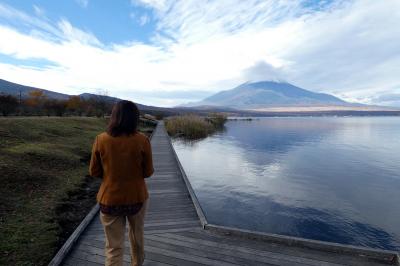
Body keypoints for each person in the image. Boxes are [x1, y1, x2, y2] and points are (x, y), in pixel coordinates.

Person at [89, 100, 154, 266]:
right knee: (137, 237)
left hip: (109, 199)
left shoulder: (100, 139)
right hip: (137, 197)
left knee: (113, 247)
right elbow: (148, 172)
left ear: (114, 116)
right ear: (135, 118)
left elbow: (94, 172)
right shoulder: (142, 140)